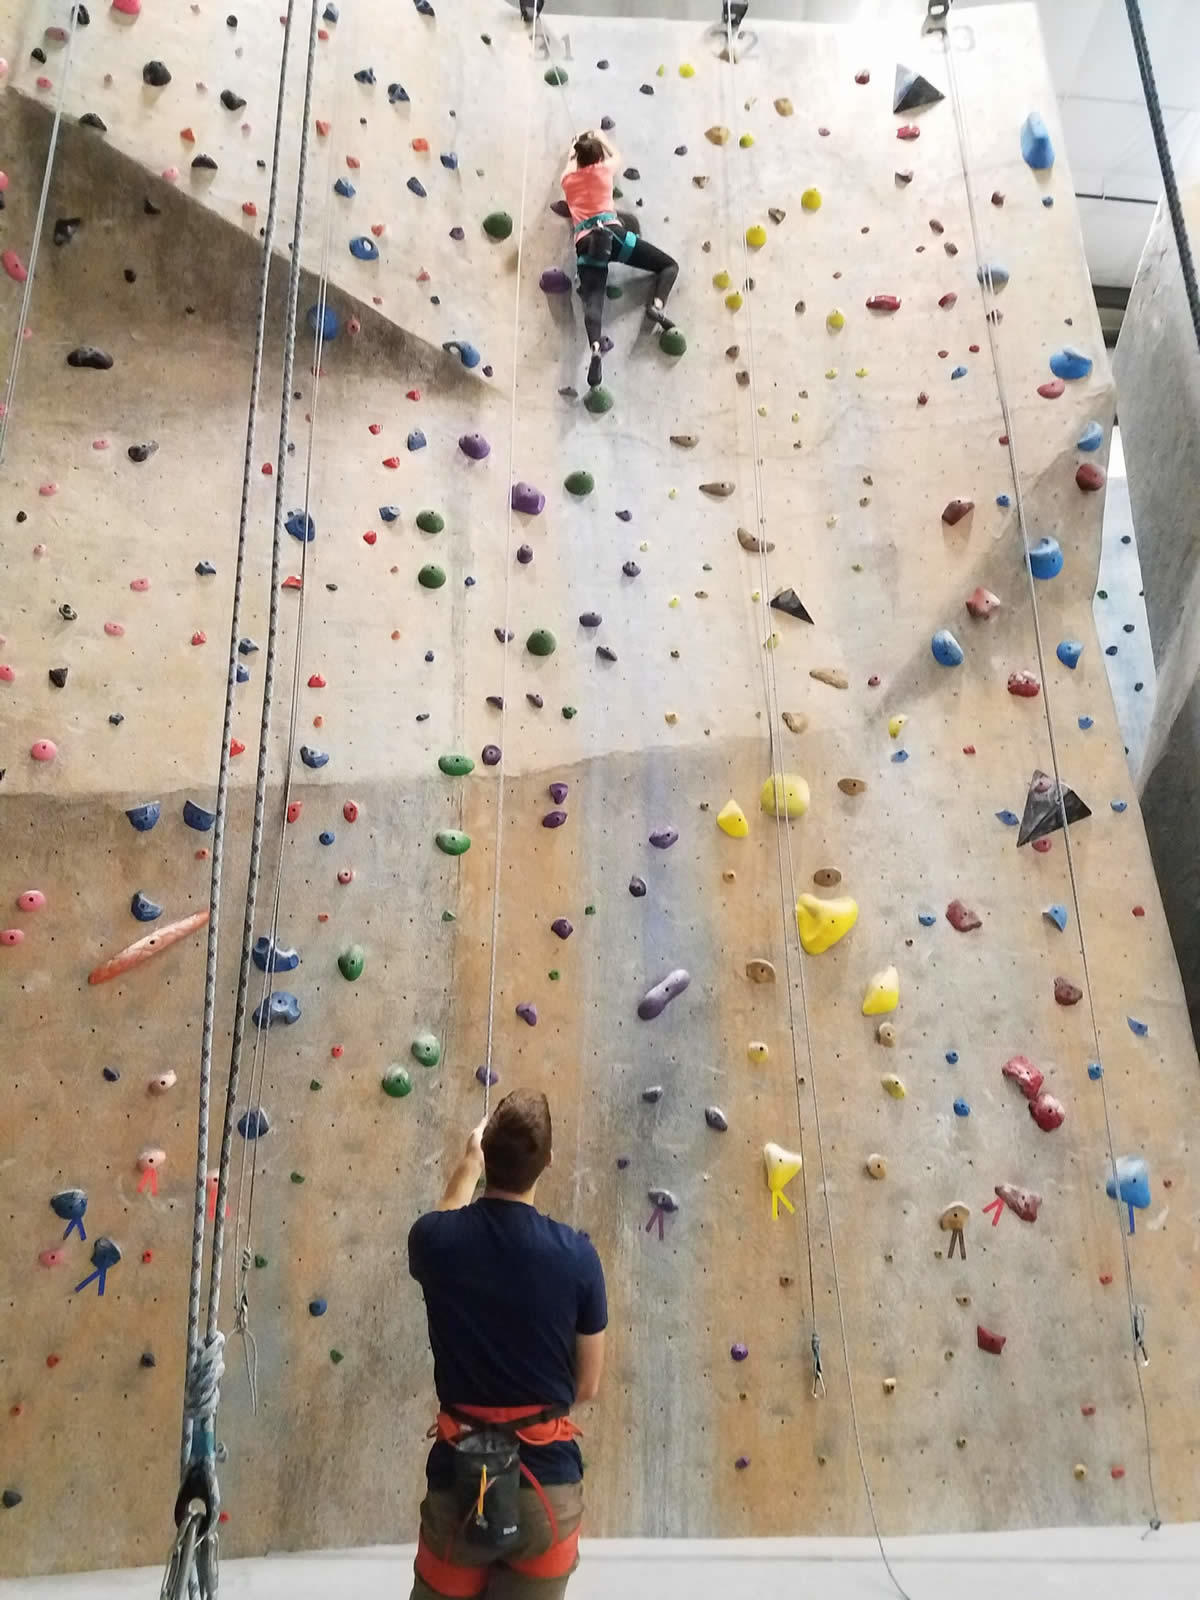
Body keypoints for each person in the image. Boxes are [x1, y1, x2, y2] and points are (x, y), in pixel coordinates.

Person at [408, 1090, 608, 1600]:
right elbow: (586, 1385)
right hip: (546, 1491)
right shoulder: (578, 1257)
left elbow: (443, 1222)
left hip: (460, 1482)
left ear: (486, 1151)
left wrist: (468, 1164)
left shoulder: (437, 1241)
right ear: (548, 1163)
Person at [560, 131, 678, 388]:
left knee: (593, 303)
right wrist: (600, 136)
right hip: (616, 236)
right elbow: (617, 155)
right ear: (599, 157)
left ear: (577, 158)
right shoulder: (604, 171)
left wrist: (574, 147)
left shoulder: (567, 180)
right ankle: (656, 304)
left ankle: (594, 345)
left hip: (586, 245)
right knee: (669, 266)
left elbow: (571, 161)